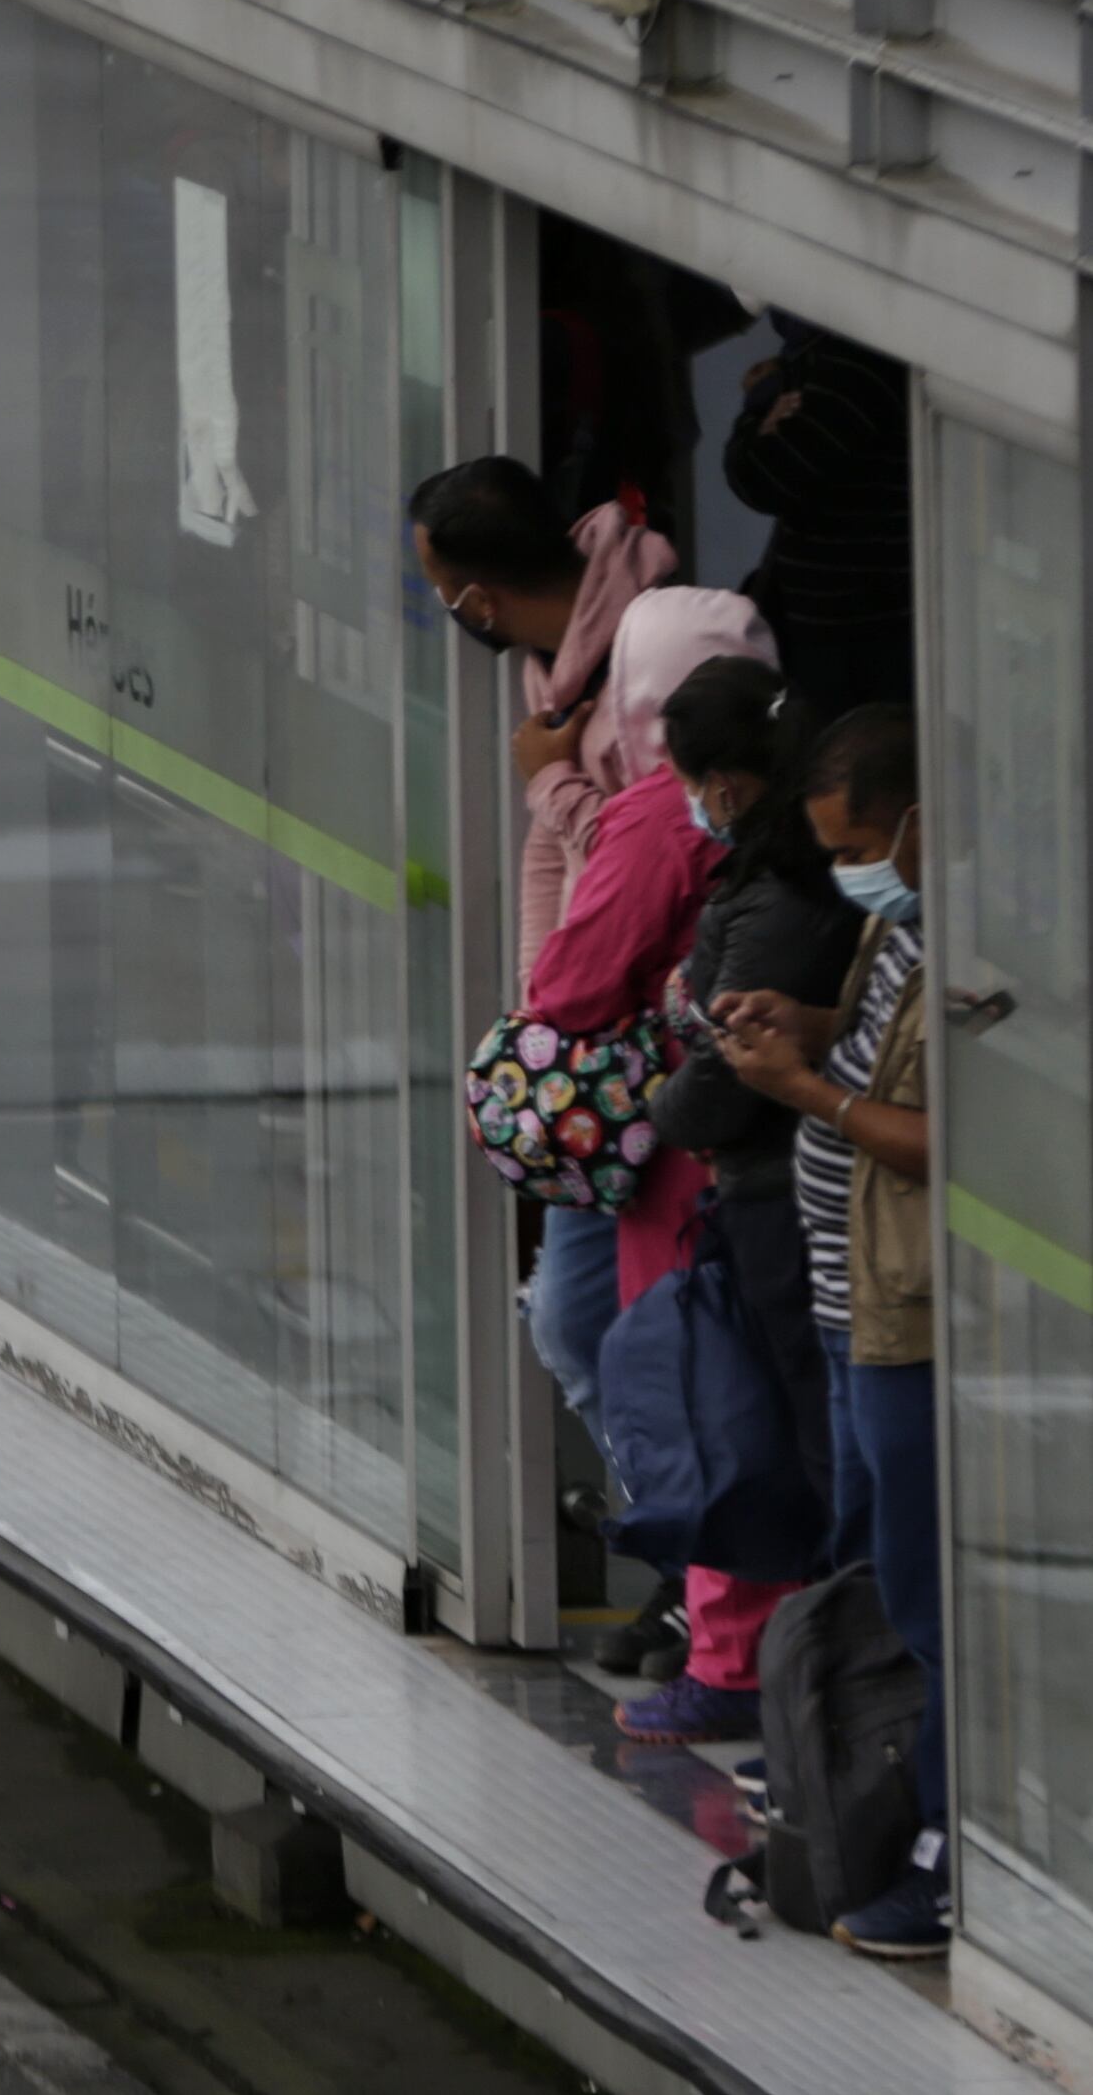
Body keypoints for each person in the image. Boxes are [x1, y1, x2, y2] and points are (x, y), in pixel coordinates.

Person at [711, 706, 945, 1962]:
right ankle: (850, 1767)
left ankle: (944, 1846)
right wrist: (795, 1023)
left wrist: (806, 1093)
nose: (849, 872)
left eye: (857, 848)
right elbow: (859, 1048)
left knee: (921, 1589)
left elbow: (950, 1139)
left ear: (918, 823)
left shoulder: (970, 946)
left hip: (908, 1315)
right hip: (849, 1298)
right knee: (866, 1559)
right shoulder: (892, 926)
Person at [611, 654, 855, 1743]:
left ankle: (818, 1690)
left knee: (799, 1430)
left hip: (779, 1191)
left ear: (726, 781)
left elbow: (726, 1066)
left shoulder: (781, 890)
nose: (689, 804)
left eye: (693, 782)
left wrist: (660, 1111)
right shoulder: (772, 871)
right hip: (772, 1188)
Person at [511, 581, 776, 1448]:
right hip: (753, 1125)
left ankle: (671, 1513)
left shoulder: (663, 815)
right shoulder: (786, 790)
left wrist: (558, 791)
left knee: (648, 1346)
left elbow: (569, 987)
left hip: (661, 1126)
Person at [407, 454, 674, 976]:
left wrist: (552, 778)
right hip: (582, 984)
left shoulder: (660, 657)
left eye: (442, 589)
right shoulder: (549, 664)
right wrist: (536, 1000)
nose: (444, 602)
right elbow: (550, 847)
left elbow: (655, 862)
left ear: (481, 602)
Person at [728, 313, 915, 732]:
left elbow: (762, 477)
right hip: (839, 621)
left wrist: (755, 412)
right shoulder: (813, 358)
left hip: (858, 631)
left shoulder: (850, 365)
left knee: (850, 751)